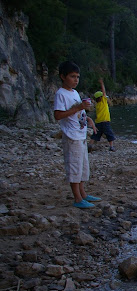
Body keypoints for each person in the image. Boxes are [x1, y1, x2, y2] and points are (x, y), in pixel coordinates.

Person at [53, 61, 101, 209]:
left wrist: (88, 118)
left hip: (80, 135)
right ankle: (77, 198)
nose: (76, 80)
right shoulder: (61, 94)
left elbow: (78, 113)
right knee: (74, 167)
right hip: (72, 136)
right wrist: (79, 107)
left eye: (77, 77)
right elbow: (58, 115)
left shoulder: (74, 93)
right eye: (72, 76)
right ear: (62, 76)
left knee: (82, 167)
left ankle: (83, 194)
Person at [89, 78, 116, 152]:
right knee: (109, 134)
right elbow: (104, 91)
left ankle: (90, 145)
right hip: (105, 121)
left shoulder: (97, 105)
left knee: (96, 134)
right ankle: (111, 146)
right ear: (101, 97)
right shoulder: (103, 102)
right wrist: (102, 83)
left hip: (98, 122)